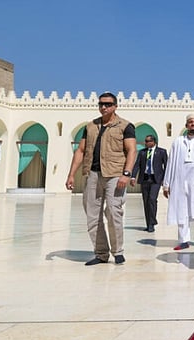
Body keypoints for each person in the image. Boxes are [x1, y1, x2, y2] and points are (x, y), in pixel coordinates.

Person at [66, 92, 137, 266]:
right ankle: (101, 253)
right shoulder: (90, 126)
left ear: (115, 106)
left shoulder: (125, 126)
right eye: (101, 104)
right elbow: (81, 151)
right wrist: (71, 174)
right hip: (93, 175)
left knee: (114, 213)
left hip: (115, 175)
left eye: (107, 104)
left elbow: (132, 150)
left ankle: (118, 251)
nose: (103, 107)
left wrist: (126, 174)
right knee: (92, 215)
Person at [162, 115, 194, 250]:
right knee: (182, 210)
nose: (193, 124)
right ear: (186, 125)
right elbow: (170, 163)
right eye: (190, 122)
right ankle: (183, 240)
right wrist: (166, 183)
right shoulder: (178, 142)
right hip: (180, 181)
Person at [131, 134, 168, 233]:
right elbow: (137, 165)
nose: (146, 143)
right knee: (146, 201)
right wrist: (133, 176)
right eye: (145, 141)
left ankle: (152, 221)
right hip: (145, 179)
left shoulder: (161, 152)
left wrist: (165, 179)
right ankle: (149, 224)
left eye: (148, 141)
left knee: (152, 199)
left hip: (156, 179)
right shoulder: (142, 152)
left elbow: (166, 166)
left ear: (153, 142)